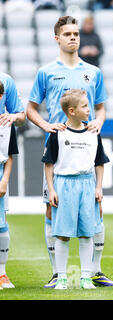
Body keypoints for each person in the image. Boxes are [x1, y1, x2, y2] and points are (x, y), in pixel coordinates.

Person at [26, 15, 113, 288]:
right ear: (57, 38)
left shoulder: (93, 72)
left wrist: (98, 124)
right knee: (51, 209)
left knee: (95, 206)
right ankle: (58, 273)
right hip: (59, 148)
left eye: (76, 34)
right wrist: (47, 125)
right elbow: (31, 107)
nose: (73, 38)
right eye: (67, 34)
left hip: (85, 145)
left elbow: (100, 107)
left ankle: (96, 271)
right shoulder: (46, 72)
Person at [42, 89, 110, 290]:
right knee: (62, 234)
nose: (89, 110)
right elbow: (48, 164)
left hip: (87, 184)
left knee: (87, 233)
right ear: (71, 111)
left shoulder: (93, 132)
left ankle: (86, 277)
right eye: (84, 106)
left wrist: (98, 187)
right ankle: (61, 277)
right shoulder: (58, 133)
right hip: (64, 184)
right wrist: (52, 189)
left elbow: (99, 162)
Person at [0, 78, 25, 290]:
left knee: (0, 225)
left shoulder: (5, 124)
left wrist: (5, 180)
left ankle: (2, 274)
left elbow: (8, 155)